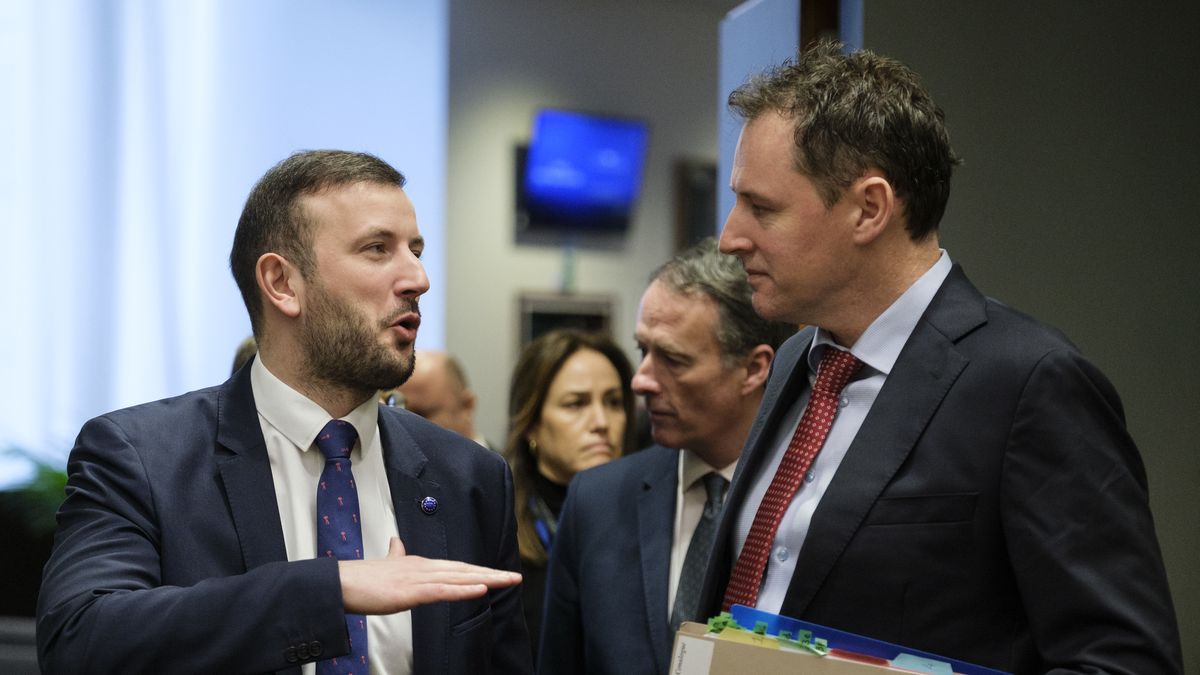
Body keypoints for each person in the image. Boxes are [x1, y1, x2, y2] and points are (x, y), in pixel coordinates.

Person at [693, 41, 1183, 673]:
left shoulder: (1030, 383)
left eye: (762, 208)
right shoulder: (797, 362)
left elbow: (1124, 661)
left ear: (868, 209)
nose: (731, 236)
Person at [37, 150, 531, 674]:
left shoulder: (468, 477)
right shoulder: (144, 458)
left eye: (416, 250)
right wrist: (328, 590)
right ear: (282, 284)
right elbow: (79, 638)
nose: (418, 278)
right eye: (377, 249)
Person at [538, 238, 795, 675]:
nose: (640, 381)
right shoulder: (597, 502)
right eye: (643, 351)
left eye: (672, 360)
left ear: (754, 369)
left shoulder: (809, 502)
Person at [502, 328, 635, 659]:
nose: (601, 422)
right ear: (531, 424)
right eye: (576, 404)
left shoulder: (650, 520)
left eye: (614, 402)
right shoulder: (497, 528)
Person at [394, 350, 489, 448]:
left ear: (467, 405)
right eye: (399, 413)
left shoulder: (497, 463)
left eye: (420, 415)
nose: (406, 428)